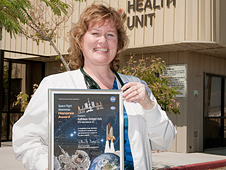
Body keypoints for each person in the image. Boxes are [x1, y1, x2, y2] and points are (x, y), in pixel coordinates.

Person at [13, 3, 177, 170]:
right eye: (95, 33)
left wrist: (149, 106)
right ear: (80, 40)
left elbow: (165, 141)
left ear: (118, 43)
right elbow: (26, 139)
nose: (103, 41)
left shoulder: (136, 87)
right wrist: (51, 165)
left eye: (110, 34)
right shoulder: (55, 85)